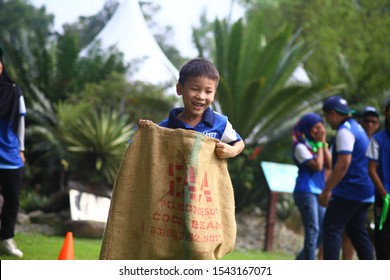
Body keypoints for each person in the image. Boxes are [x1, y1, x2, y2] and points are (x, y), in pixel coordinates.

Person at [138, 57, 245, 159]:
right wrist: (145, 132)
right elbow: (146, 148)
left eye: (208, 92)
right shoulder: (167, 126)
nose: (201, 96)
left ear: (214, 95)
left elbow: (239, 143)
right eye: (194, 89)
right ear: (179, 89)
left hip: (207, 178)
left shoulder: (220, 123)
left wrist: (232, 151)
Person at [319, 95, 374, 260]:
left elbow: (343, 164)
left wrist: (327, 189)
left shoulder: (345, 131)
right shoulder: (356, 127)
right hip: (365, 191)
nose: (327, 121)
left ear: (333, 113)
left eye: (327, 116)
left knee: (331, 228)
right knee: (356, 231)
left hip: (351, 190)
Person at [341, 106, 380, 260]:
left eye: (373, 122)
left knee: (363, 233)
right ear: (360, 122)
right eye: (366, 121)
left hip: (376, 194)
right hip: (356, 193)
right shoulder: (354, 139)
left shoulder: (379, 142)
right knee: (349, 231)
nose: (369, 124)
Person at [292, 113, 331, 260]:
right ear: (307, 128)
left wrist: (323, 143)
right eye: (315, 129)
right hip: (305, 192)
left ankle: (300, 261)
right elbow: (318, 165)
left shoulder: (318, 144)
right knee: (313, 230)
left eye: (321, 128)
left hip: (319, 192)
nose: (318, 132)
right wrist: (320, 144)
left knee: (323, 231)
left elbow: (330, 163)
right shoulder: (300, 147)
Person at [0, 47, 26, 258]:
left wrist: (21, 148)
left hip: (10, 155)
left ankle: (6, 239)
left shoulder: (14, 91)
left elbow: (21, 123)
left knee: (12, 200)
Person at [366, 99, 390, 260]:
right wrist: (385, 195)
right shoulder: (378, 139)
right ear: (386, 113)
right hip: (384, 200)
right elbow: (372, 169)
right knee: (384, 240)